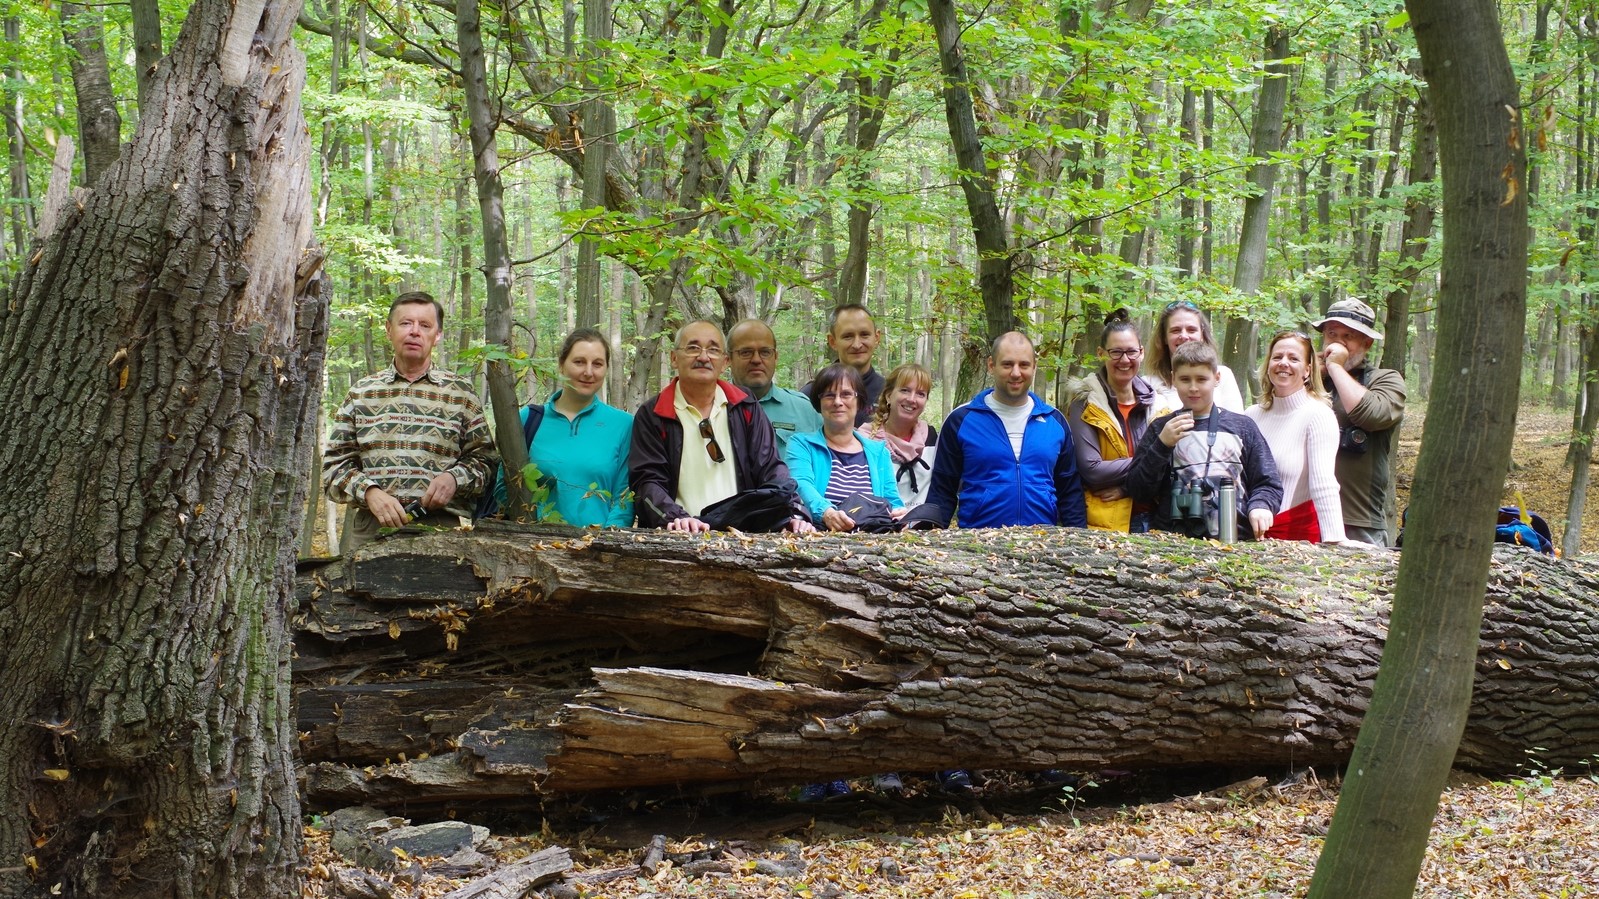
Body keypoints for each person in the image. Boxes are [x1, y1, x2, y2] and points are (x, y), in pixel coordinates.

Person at [323, 291, 497, 554]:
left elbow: (486, 462)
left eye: (425, 325)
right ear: (389, 330)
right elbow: (333, 468)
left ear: (436, 335)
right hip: (371, 528)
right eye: (406, 323)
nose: (414, 331)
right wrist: (370, 493)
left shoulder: (459, 393)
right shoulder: (362, 393)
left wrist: (454, 478)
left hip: (440, 528)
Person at [630, 320, 813, 533]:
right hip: (680, 534)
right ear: (673, 358)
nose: (703, 357)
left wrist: (794, 512)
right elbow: (646, 481)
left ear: (725, 361)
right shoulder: (654, 414)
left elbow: (770, 467)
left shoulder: (745, 406)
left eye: (713, 349)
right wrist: (675, 516)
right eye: (693, 348)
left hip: (743, 535)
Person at [925, 332, 1087, 529]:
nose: (1016, 373)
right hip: (976, 544)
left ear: (1034, 366)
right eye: (1008, 364)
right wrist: (933, 540)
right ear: (991, 365)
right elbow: (942, 490)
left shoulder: (1056, 422)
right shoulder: (961, 420)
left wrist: (1077, 537)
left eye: (1024, 365)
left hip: (1043, 543)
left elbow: (1070, 492)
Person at [1126, 341, 1281, 540]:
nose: (1193, 388)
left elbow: (1268, 482)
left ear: (1216, 378)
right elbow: (1138, 490)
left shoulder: (1243, 427)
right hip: (1172, 542)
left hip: (1237, 541)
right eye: (1184, 379)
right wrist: (1162, 446)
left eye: (1201, 379)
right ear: (1173, 379)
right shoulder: (1160, 428)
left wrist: (1261, 506)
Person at [493, 328, 633, 527]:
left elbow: (624, 498)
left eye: (598, 364)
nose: (588, 372)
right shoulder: (529, 419)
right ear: (561, 365)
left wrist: (607, 544)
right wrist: (535, 527)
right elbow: (503, 487)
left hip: (598, 548)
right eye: (579, 362)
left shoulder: (623, 425)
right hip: (534, 545)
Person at [1313, 298, 1406, 547]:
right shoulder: (1310, 378)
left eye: (1348, 336)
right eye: (1332, 333)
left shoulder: (1386, 380)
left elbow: (1373, 415)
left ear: (1366, 343)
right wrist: (1310, 374)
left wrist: (1336, 368)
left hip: (1357, 520)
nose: (1338, 342)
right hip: (1304, 513)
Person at [1245, 331, 1345, 543]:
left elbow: (1324, 484)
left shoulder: (1318, 415)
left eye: (1293, 358)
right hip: (1247, 534)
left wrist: (1335, 541)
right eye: (1277, 357)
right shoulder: (1250, 416)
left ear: (1307, 370)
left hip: (1295, 538)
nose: (1284, 363)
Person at [1066, 309, 1157, 532]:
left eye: (1131, 352)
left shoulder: (1156, 404)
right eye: (1115, 352)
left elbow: (1169, 467)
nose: (1124, 360)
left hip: (1156, 519)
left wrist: (1126, 487)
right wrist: (1151, 460)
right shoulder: (1085, 403)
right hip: (1107, 523)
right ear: (1101, 353)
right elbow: (1092, 470)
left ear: (1142, 353)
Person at [786, 364, 906, 531]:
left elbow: (892, 500)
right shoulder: (802, 445)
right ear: (818, 402)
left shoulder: (879, 452)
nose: (837, 402)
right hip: (820, 537)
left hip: (874, 540)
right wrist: (827, 512)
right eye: (829, 395)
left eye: (846, 394)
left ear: (859, 402)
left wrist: (900, 513)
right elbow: (802, 484)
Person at [728, 318, 822, 457]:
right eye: (746, 352)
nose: (756, 360)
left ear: (776, 357)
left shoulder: (806, 411)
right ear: (728, 358)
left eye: (765, 352)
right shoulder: (712, 408)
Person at [1147, 300, 1245, 415]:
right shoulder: (1149, 384)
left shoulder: (1223, 375)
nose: (1184, 336)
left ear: (1202, 334)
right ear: (1164, 337)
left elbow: (1238, 425)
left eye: (1191, 330)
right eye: (1176, 330)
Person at [863, 363, 938, 508]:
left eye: (920, 394)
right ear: (889, 396)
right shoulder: (865, 440)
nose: (912, 399)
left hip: (924, 527)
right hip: (877, 524)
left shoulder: (932, 438)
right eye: (905, 390)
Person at [803, 303, 885, 425]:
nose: (857, 344)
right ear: (832, 341)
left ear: (877, 337)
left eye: (864, 334)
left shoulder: (890, 392)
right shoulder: (812, 394)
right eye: (848, 336)